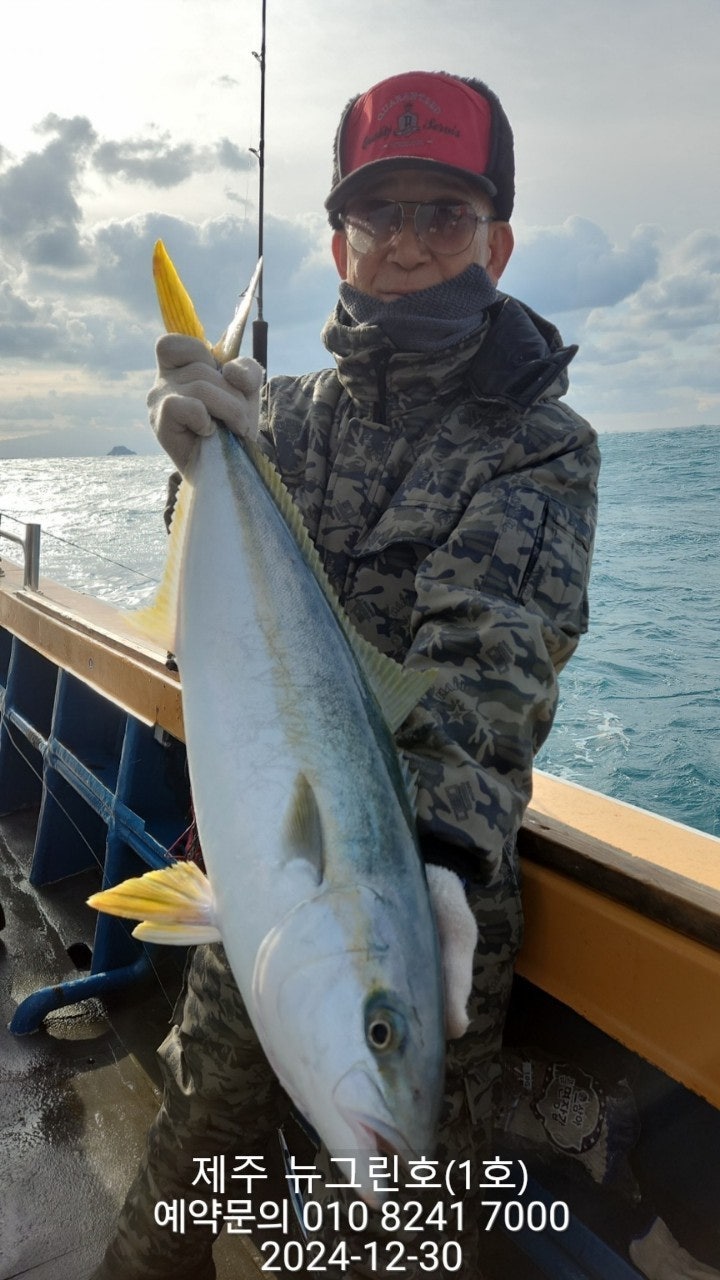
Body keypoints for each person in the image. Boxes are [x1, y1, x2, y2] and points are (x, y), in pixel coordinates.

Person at [91, 70, 599, 1279]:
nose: (408, 245)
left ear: (498, 241)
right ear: (339, 244)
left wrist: (437, 861)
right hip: (267, 878)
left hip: (425, 915)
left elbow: (488, 665)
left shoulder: (540, 443)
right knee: (188, 1154)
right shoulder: (286, 420)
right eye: (380, 213)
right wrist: (198, 462)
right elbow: (221, 619)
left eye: (445, 213)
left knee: (391, 1231)